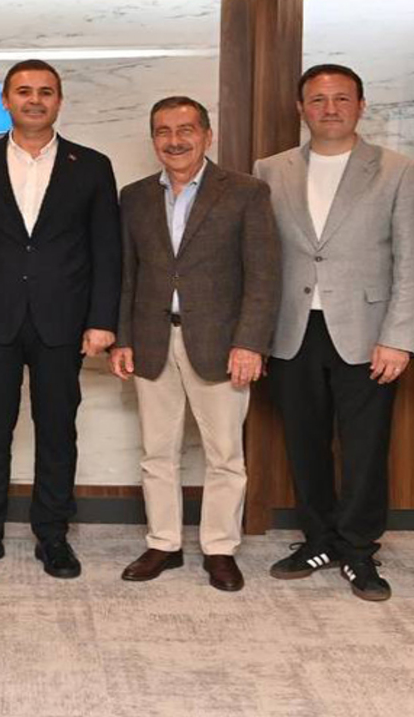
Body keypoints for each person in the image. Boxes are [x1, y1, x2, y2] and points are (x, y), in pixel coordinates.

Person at [0, 59, 122, 580]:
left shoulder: (92, 165)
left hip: (63, 321)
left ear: (59, 101)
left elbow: (106, 250)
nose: (34, 100)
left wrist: (102, 320)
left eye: (45, 92)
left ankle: (54, 534)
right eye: (24, 91)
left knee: (58, 430)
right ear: (5, 100)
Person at [254, 63, 414, 602]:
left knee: (364, 447)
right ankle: (318, 539)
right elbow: (260, 257)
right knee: (303, 442)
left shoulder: (398, 170)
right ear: (300, 108)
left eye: (341, 99)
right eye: (318, 99)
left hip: (368, 331)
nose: (329, 109)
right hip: (292, 327)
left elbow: (412, 261)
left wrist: (399, 337)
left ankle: (358, 547)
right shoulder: (270, 169)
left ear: (361, 106)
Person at [110, 96, 280, 592]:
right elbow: (127, 274)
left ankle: (220, 548)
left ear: (208, 135)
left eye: (185, 129)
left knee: (224, 454)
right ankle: (163, 542)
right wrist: (123, 338)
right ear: (153, 140)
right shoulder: (135, 196)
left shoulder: (246, 192)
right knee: (156, 451)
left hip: (223, 343)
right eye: (163, 131)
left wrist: (250, 342)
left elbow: (263, 276)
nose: (175, 140)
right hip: (152, 340)